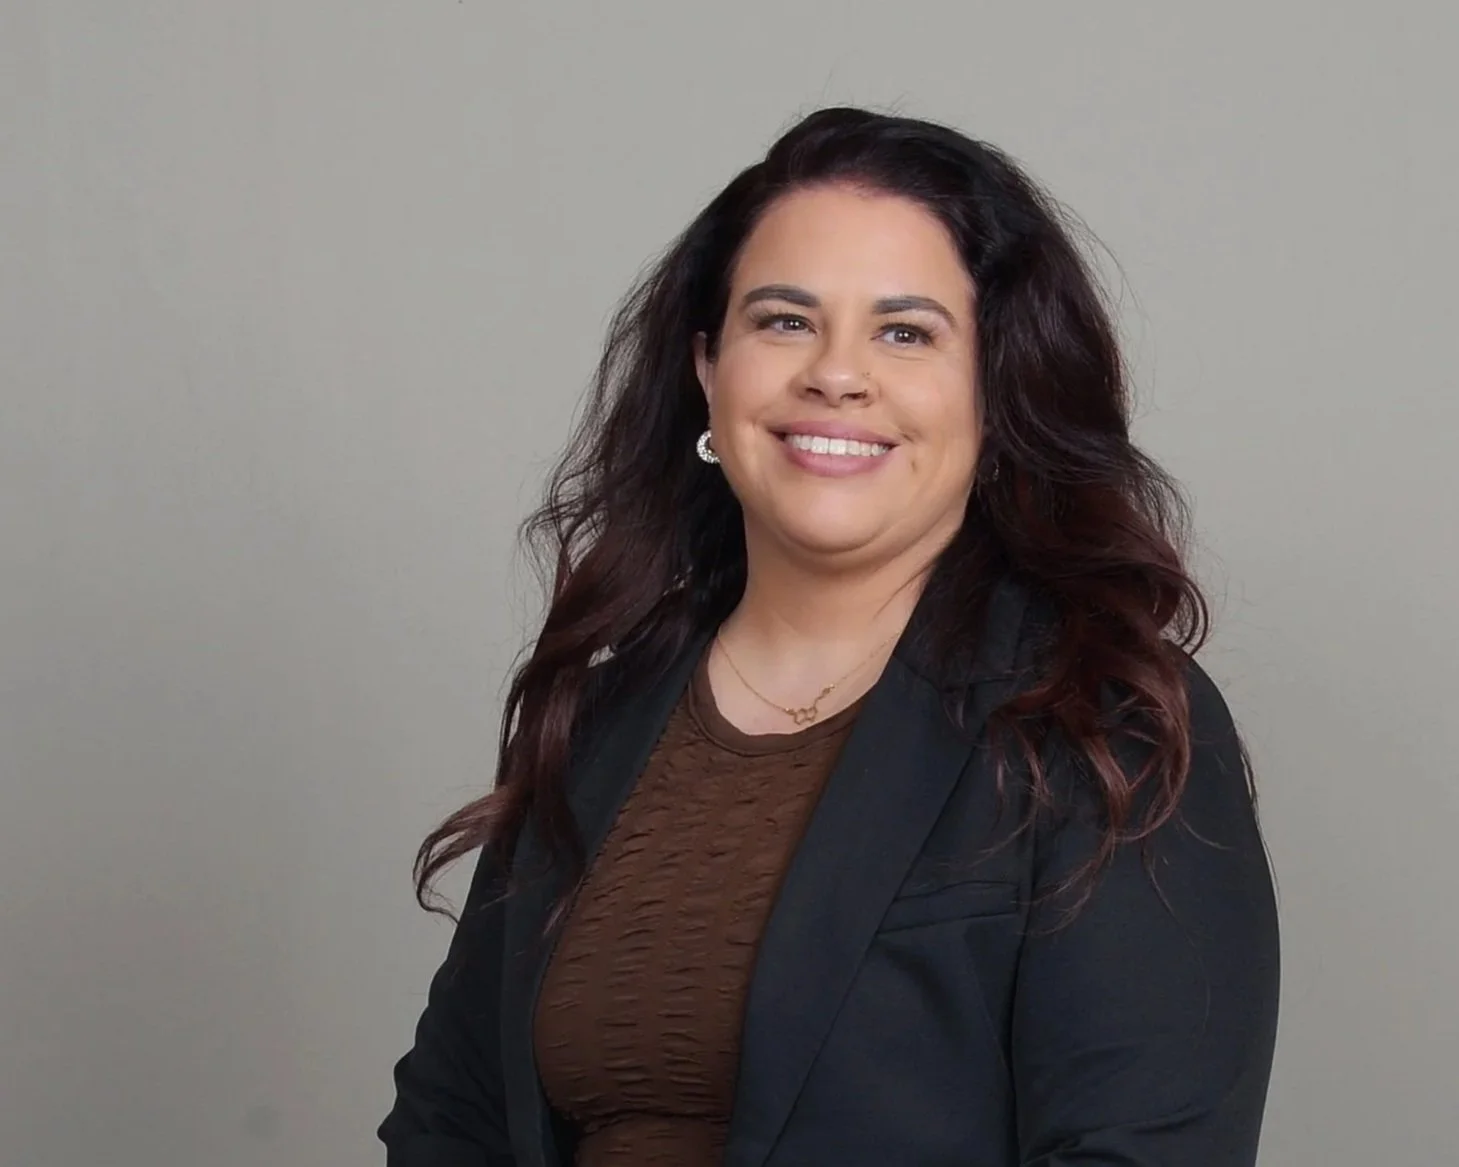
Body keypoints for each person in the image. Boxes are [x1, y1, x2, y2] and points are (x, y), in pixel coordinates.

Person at [377, 106, 1280, 1167]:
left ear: (993, 388)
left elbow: (1138, 1150)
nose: (835, 375)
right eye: (784, 321)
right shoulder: (601, 718)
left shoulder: (1099, 720)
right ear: (708, 367)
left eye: (906, 332)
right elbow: (454, 1125)